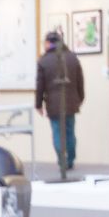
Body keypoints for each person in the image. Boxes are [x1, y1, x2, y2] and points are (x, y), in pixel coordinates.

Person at [35, 29, 85, 174]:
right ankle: (70, 159)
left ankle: (62, 160)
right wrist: (80, 98)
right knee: (70, 131)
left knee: (57, 132)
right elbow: (80, 81)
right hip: (71, 103)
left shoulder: (43, 61)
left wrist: (38, 104)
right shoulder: (72, 58)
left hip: (53, 104)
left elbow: (40, 85)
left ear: (48, 43)